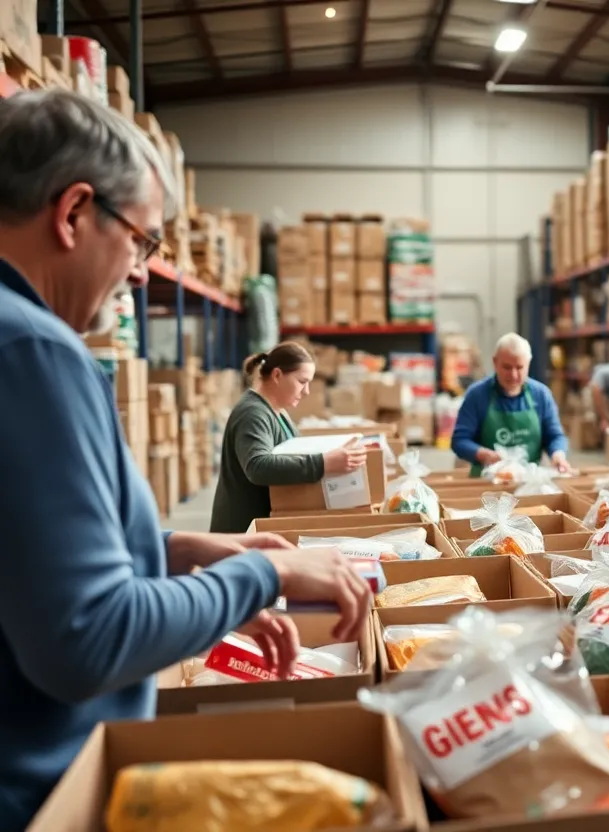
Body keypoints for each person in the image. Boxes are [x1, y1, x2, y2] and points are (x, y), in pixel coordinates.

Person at [0, 89, 371, 830]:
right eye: (143, 241)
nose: (142, 273)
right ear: (73, 213)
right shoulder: (32, 351)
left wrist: (170, 551)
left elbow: (24, 560)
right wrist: (258, 574)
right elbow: (87, 639)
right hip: (35, 793)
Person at [209, 343, 368, 533]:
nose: (307, 391)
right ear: (277, 375)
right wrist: (323, 464)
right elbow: (258, 467)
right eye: (302, 381)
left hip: (264, 530)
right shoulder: (253, 413)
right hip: (243, 533)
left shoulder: (277, 411)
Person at [452, 332, 571, 476]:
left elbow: (555, 435)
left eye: (520, 367)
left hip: (528, 481)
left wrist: (558, 454)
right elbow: (459, 441)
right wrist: (484, 455)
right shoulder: (477, 395)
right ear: (495, 362)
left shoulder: (541, 395)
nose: (514, 375)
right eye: (507, 368)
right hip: (486, 482)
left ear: (529, 363)